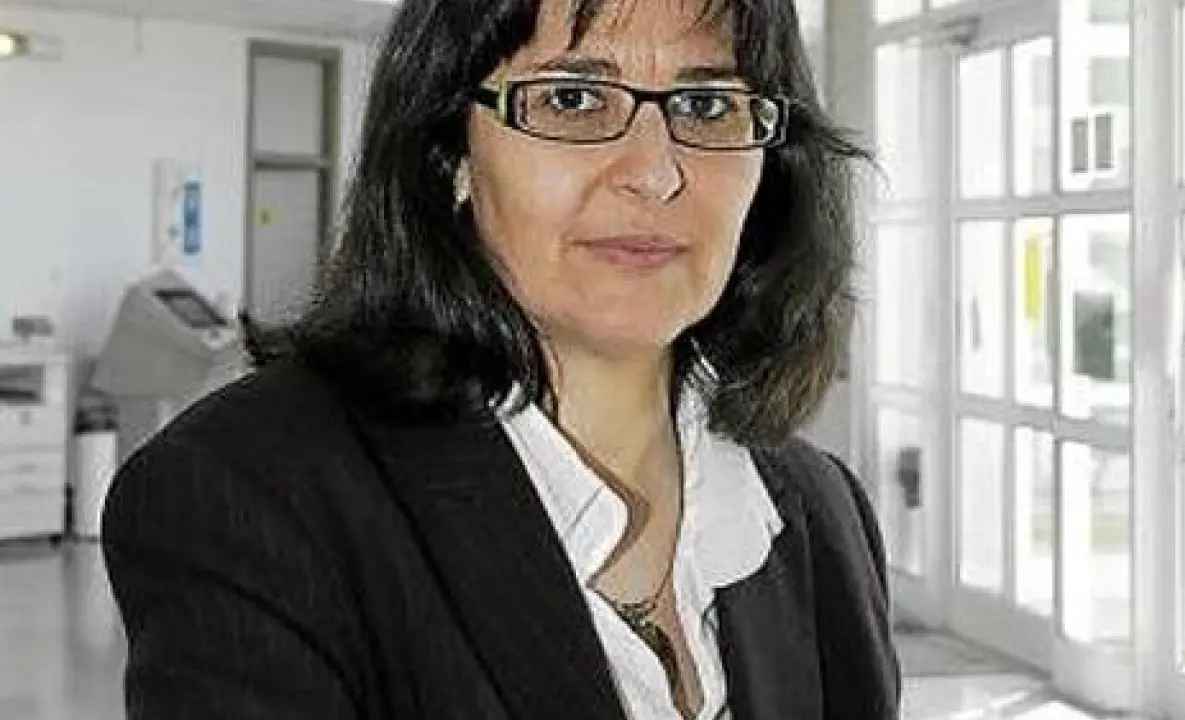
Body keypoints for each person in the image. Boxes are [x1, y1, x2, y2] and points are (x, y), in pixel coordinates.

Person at [101, 0, 901, 717]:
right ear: (450, 149)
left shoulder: (821, 515)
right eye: (573, 99)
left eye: (706, 105)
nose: (656, 174)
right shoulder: (249, 500)